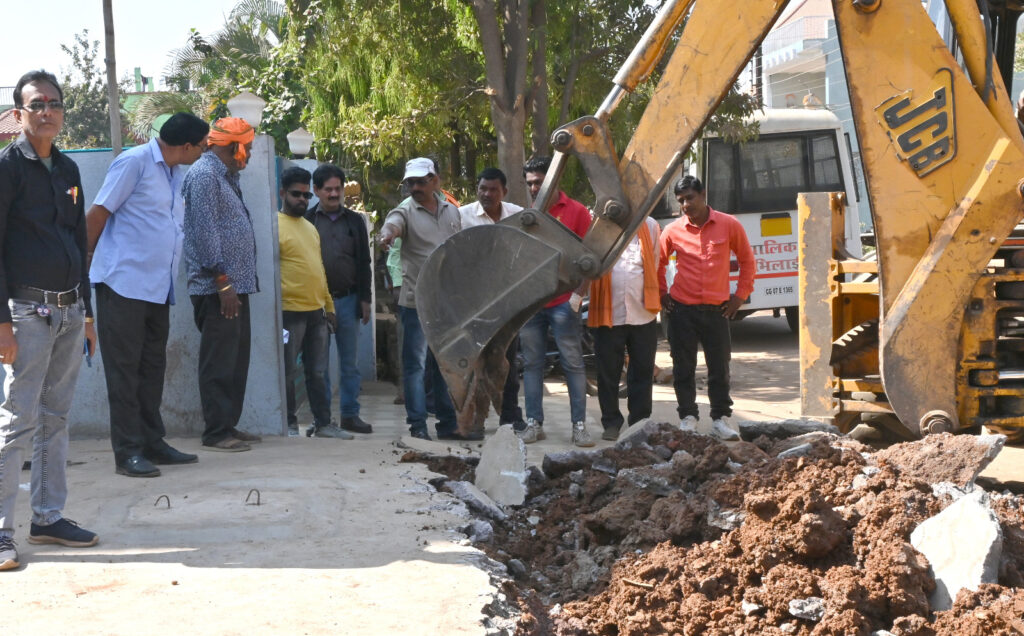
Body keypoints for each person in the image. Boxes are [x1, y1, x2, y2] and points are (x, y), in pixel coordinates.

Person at [0, 70, 99, 571]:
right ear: (19, 113)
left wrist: (86, 315)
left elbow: (77, 242)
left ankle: (47, 518)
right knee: (18, 420)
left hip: (68, 309)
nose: (47, 111)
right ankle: (0, 532)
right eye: (36, 104)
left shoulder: (68, 170)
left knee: (56, 418)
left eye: (54, 103)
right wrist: (1, 323)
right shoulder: (7, 168)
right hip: (26, 312)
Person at [85, 113, 209, 478]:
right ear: (185, 146)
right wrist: (80, 268)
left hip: (157, 288)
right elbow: (98, 214)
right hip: (122, 284)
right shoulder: (134, 162)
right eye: (201, 147)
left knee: (152, 369)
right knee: (123, 372)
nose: (203, 152)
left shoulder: (175, 173)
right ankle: (127, 452)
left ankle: (152, 442)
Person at [182, 117, 260, 452]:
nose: (249, 156)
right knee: (219, 360)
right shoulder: (203, 175)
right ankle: (215, 431)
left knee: (235, 359)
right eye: (248, 148)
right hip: (218, 288)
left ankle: (227, 423)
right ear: (233, 146)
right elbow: (203, 231)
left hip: (235, 285)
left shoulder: (225, 176)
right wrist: (223, 282)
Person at [658, 175, 755, 441]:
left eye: (690, 198)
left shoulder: (728, 224)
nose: (686, 205)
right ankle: (687, 417)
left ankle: (720, 419)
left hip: (717, 310)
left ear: (703, 195)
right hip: (681, 311)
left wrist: (740, 296)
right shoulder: (672, 230)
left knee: (719, 367)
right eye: (681, 201)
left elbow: (747, 261)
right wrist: (661, 293)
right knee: (683, 367)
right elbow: (658, 262)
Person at [378, 157, 464, 441]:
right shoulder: (404, 211)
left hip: (447, 303)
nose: (415, 187)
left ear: (435, 180)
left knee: (444, 365)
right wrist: (387, 235)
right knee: (415, 366)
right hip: (416, 303)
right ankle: (418, 427)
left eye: (420, 181)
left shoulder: (452, 212)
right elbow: (393, 225)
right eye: (411, 182)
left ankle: (448, 425)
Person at [517, 156, 594, 447]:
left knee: (572, 363)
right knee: (533, 364)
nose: (535, 188)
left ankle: (579, 426)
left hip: (564, 302)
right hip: (534, 304)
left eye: (539, 181)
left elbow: (590, 258)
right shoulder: (528, 215)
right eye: (530, 184)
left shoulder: (576, 212)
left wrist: (579, 295)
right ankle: (534, 423)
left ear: (553, 179)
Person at [275, 167, 351, 440]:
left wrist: (328, 307)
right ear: (282, 193)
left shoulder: (310, 227)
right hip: (287, 312)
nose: (303, 200)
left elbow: (318, 268)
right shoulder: (272, 225)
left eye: (307, 195)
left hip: (317, 313)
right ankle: (289, 424)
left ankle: (323, 424)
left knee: (318, 372)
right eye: (297, 194)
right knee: (286, 372)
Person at [306, 164, 372, 435]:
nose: (334, 194)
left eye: (338, 189)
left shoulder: (355, 221)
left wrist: (365, 299)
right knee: (318, 365)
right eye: (328, 189)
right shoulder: (307, 220)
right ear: (316, 191)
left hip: (348, 300)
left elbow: (364, 262)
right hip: (317, 304)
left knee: (349, 363)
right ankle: (322, 419)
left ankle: (349, 415)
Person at [458, 167, 526, 432]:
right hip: (473, 304)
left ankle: (510, 415)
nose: (487, 194)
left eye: (493, 189)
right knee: (474, 364)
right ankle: (474, 419)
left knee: (506, 362)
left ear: (504, 192)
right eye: (482, 189)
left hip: (508, 305)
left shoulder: (517, 215)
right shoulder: (462, 216)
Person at [587, 216, 662, 441]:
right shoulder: (600, 224)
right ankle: (611, 422)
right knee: (608, 372)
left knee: (642, 370)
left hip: (642, 312)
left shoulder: (649, 225)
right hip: (608, 312)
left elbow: (655, 260)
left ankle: (639, 421)